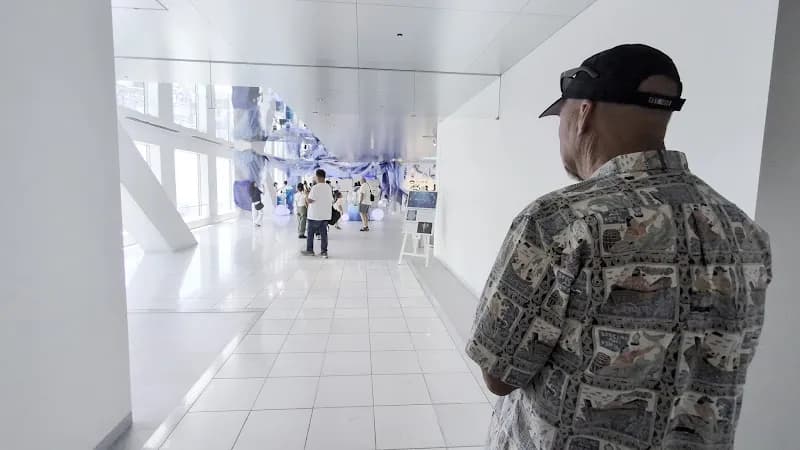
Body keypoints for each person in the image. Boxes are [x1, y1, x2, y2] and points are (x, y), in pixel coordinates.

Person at [466, 44, 772, 450]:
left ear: (582, 114)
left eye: (561, 116)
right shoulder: (744, 231)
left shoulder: (559, 221)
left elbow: (499, 374)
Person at [302, 169, 333, 258]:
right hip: (325, 215)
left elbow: (310, 200)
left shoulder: (315, 187)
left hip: (314, 215)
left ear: (317, 176)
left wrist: (306, 195)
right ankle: (324, 252)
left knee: (310, 234)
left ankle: (310, 250)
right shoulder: (328, 187)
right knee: (324, 234)